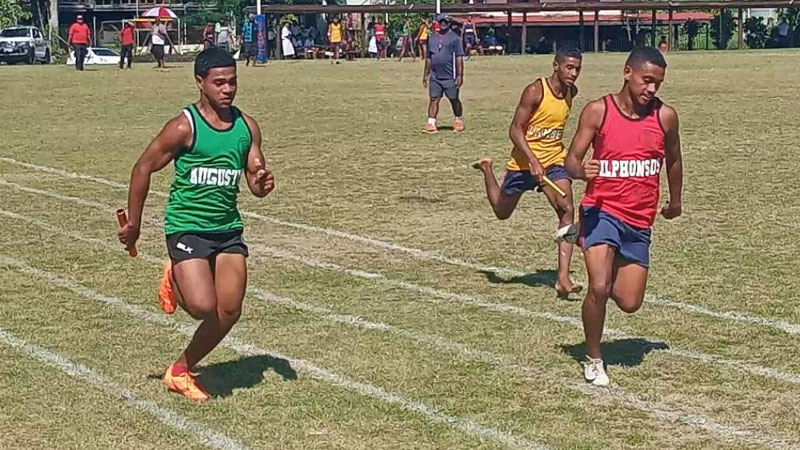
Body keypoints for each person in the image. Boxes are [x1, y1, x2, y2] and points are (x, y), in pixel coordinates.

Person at [117, 48, 276, 402]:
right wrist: (135, 224)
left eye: (232, 81)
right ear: (199, 82)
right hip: (187, 226)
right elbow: (143, 168)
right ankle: (175, 274)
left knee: (229, 310)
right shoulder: (183, 127)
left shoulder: (246, 127)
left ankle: (179, 371)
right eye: (219, 82)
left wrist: (262, 184)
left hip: (227, 229)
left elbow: (255, 180)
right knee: (203, 307)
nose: (228, 89)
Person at [564, 47, 683, 386]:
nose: (652, 89)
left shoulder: (665, 117)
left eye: (658, 83)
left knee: (630, 302)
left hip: (639, 220)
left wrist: (676, 201)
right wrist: (580, 171)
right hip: (602, 210)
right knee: (599, 286)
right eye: (647, 80)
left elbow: (674, 160)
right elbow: (570, 160)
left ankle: (591, 243)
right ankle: (594, 358)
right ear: (627, 73)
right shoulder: (598, 111)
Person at [473, 47, 584, 297]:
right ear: (555, 66)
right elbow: (515, 130)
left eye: (577, 69)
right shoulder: (535, 91)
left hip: (554, 162)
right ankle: (487, 169)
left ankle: (563, 279)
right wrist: (532, 160)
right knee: (502, 212)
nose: (574, 73)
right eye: (569, 67)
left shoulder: (571, 92)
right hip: (524, 163)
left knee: (566, 209)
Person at [423, 15, 465, 133]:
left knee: (454, 99)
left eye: (445, 21)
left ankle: (458, 120)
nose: (443, 23)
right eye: (441, 21)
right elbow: (428, 58)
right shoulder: (432, 38)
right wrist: (426, 75)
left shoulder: (455, 38)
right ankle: (431, 123)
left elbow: (459, 58)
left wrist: (460, 75)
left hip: (450, 76)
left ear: (449, 23)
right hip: (435, 75)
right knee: (434, 98)